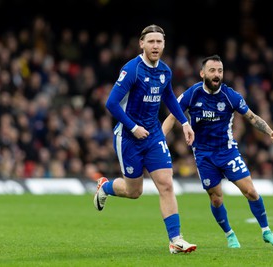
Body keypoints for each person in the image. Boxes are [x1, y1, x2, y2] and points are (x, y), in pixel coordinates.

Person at [93, 24, 197, 254]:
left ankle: (176, 240)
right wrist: (132, 127)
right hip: (129, 137)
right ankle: (106, 186)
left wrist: (185, 123)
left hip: (154, 136)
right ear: (141, 44)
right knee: (134, 192)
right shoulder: (132, 70)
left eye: (159, 42)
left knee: (167, 184)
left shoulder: (165, 71)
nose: (155, 46)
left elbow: (169, 97)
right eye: (151, 41)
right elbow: (111, 103)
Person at [162, 54, 273, 248]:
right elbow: (172, 117)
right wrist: (160, 140)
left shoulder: (230, 95)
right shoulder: (192, 94)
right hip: (203, 154)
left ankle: (266, 231)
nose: (217, 74)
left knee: (251, 191)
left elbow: (252, 117)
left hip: (227, 152)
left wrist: (269, 131)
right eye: (212, 70)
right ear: (202, 73)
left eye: (220, 71)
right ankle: (230, 234)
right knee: (216, 198)